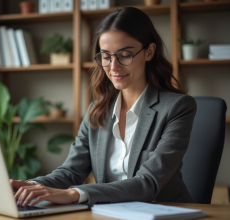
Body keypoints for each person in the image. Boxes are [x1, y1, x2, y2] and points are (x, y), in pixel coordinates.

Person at [10, 7, 196, 208]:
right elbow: (71, 172)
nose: (113, 67)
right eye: (106, 56)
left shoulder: (177, 108)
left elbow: (148, 183)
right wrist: (29, 186)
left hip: (166, 211)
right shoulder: (96, 111)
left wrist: (74, 193)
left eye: (125, 55)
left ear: (149, 52)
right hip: (110, 212)